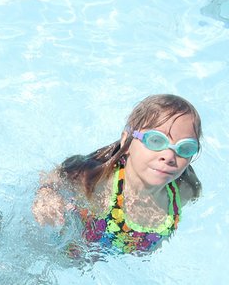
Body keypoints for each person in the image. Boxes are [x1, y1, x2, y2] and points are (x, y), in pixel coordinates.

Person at [32, 94, 202, 254]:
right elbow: (58, 175)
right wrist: (46, 193)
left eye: (185, 148)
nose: (170, 156)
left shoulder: (185, 191)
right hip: (56, 250)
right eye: (156, 141)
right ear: (126, 141)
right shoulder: (99, 183)